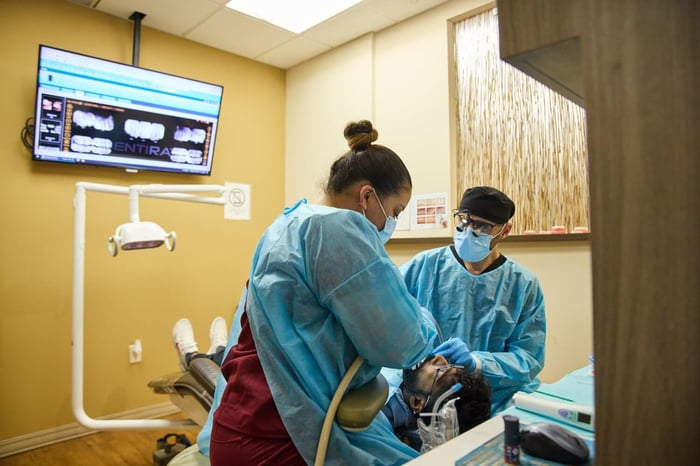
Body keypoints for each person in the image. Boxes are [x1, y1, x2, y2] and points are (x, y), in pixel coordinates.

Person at [209, 120, 439, 465]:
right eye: (395, 212)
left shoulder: (288, 222)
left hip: (241, 420)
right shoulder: (339, 230)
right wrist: (425, 320)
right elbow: (400, 343)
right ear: (366, 196)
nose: (392, 222)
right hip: (281, 433)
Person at [400, 186, 546, 415]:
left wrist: (479, 363)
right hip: (428, 394)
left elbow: (528, 358)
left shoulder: (522, 284)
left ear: (504, 231)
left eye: (481, 226)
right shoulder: (424, 266)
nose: (468, 230)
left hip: (494, 397)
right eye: (464, 220)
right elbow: (388, 318)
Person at [382, 354, 491, 452]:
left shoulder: (377, 425)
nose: (440, 357)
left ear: (417, 402)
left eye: (441, 370)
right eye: (450, 364)